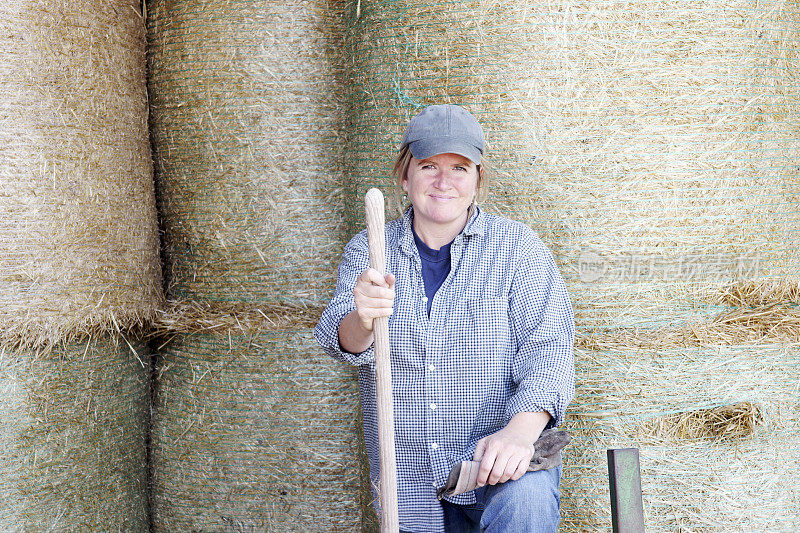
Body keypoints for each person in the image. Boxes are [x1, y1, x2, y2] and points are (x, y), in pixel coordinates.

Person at [314, 104, 575, 533]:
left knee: (525, 504)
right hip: (410, 481)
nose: (443, 181)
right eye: (429, 165)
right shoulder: (371, 249)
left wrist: (518, 434)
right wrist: (362, 317)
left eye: (459, 168)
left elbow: (549, 350)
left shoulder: (518, 249)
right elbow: (340, 341)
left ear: (477, 180)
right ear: (405, 175)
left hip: (498, 468)